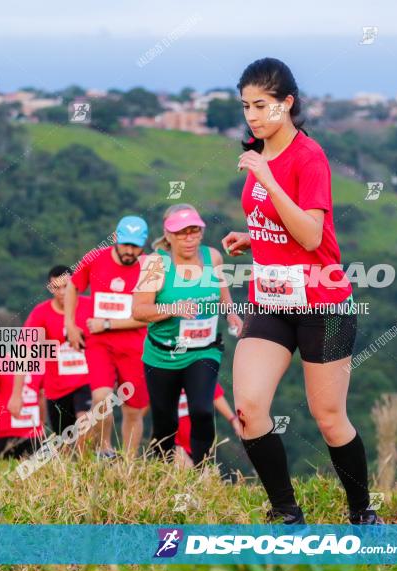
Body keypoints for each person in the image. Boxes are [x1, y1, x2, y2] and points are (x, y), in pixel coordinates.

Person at [222, 57, 381, 524]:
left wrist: (268, 180)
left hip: (323, 305)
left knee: (328, 418)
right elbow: (280, 223)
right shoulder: (260, 151)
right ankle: (286, 513)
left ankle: (361, 513)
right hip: (272, 301)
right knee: (249, 410)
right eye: (246, 106)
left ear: (287, 103)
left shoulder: (308, 157)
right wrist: (252, 236)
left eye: (263, 105)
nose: (252, 116)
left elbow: (312, 236)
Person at [132, 204, 243, 466]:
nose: (189, 238)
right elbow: (139, 310)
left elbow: (221, 286)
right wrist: (173, 309)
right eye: (181, 232)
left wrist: (231, 313)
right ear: (168, 235)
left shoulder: (213, 257)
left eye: (194, 231)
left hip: (203, 349)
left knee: (202, 411)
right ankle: (161, 472)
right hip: (162, 355)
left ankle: (203, 471)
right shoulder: (156, 265)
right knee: (165, 422)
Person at [65, 216, 151, 458]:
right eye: (125, 244)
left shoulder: (150, 269)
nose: (129, 251)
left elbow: (148, 315)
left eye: (135, 246)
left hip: (136, 346)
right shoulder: (95, 258)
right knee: (101, 399)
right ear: (116, 239)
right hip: (99, 343)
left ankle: (129, 462)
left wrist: (108, 323)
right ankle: (105, 449)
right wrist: (69, 323)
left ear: (143, 245)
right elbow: (73, 285)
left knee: (134, 410)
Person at [9, 266, 93, 442]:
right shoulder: (41, 313)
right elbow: (23, 353)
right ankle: (69, 469)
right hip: (57, 388)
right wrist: (16, 395)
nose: (62, 292)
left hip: (87, 382)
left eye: (66, 286)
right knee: (63, 443)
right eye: (56, 287)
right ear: (50, 288)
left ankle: (86, 466)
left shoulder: (90, 306)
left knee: (84, 423)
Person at [0, 370, 45, 459]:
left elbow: (41, 396)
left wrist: (42, 424)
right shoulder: (1, 364)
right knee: (4, 470)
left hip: (33, 434)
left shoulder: (40, 363)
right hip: (5, 434)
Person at [174, 382, 242, 467]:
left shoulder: (199, 373)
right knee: (185, 472)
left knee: (203, 475)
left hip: (200, 443)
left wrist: (233, 420)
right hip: (176, 444)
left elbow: (215, 393)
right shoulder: (162, 375)